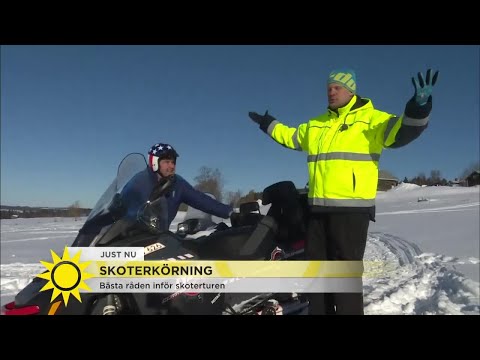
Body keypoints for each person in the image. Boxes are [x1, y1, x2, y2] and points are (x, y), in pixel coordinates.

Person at [248, 68, 439, 315]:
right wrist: (268, 124)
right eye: (329, 88)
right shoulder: (317, 124)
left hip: (351, 212)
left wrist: (418, 107)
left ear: (351, 90)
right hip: (317, 211)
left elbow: (402, 132)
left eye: (337, 87)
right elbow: (291, 136)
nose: (331, 91)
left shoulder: (372, 119)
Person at [121, 142, 234, 232]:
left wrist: (229, 212)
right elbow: (122, 207)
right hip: (132, 237)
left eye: (173, 162)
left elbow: (201, 200)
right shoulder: (140, 181)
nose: (171, 166)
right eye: (166, 162)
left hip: (158, 239)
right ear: (154, 162)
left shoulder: (177, 184)